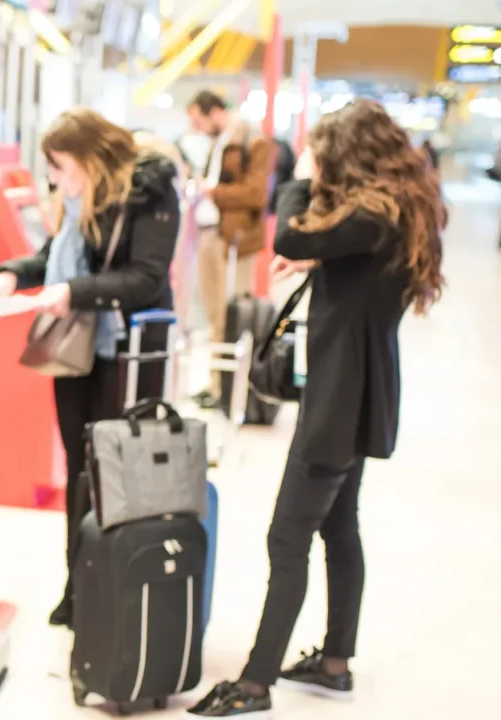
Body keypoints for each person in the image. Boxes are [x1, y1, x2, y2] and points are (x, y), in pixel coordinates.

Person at [188, 99, 446, 717]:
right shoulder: (390, 211)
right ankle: (334, 662)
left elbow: (292, 229)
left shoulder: (372, 214)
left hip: (338, 397)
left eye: (324, 153)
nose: (317, 163)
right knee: (338, 527)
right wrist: (314, 260)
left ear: (346, 157)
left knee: (288, 537)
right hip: (360, 390)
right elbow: (336, 259)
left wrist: (298, 177)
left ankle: (253, 684)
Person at [0, 109, 180, 627]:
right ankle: (78, 584)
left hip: (126, 354)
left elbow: (146, 278)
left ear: (90, 157)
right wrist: (11, 277)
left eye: (60, 165)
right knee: (80, 470)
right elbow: (53, 255)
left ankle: (115, 586)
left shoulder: (150, 193)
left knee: (115, 473)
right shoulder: (79, 199)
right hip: (80, 353)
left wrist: (72, 292)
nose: (55, 178)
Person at [186, 90, 274, 409]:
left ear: (214, 112)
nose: (197, 127)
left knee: (231, 316)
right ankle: (216, 385)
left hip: (235, 240)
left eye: (198, 120)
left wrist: (215, 191)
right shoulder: (220, 142)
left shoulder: (253, 142)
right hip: (212, 234)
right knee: (214, 315)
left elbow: (256, 194)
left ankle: (229, 390)